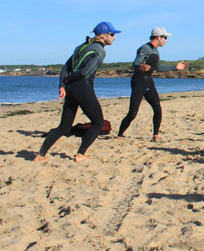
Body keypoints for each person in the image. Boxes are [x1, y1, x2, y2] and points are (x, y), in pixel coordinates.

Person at [34, 22, 120, 162]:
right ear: (104, 36)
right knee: (98, 123)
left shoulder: (80, 47)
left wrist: (62, 85)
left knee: (64, 126)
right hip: (82, 87)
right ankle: (80, 154)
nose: (114, 38)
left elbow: (65, 67)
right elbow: (85, 72)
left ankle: (41, 154)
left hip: (71, 89)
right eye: (112, 35)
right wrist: (69, 79)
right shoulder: (100, 51)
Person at [117, 26, 187, 141]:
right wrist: (140, 67)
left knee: (157, 108)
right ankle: (119, 134)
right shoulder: (145, 48)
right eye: (165, 37)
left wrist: (175, 67)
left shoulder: (156, 51)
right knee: (132, 113)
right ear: (158, 37)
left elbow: (159, 67)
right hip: (139, 82)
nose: (166, 40)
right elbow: (135, 64)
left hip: (149, 82)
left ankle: (155, 136)